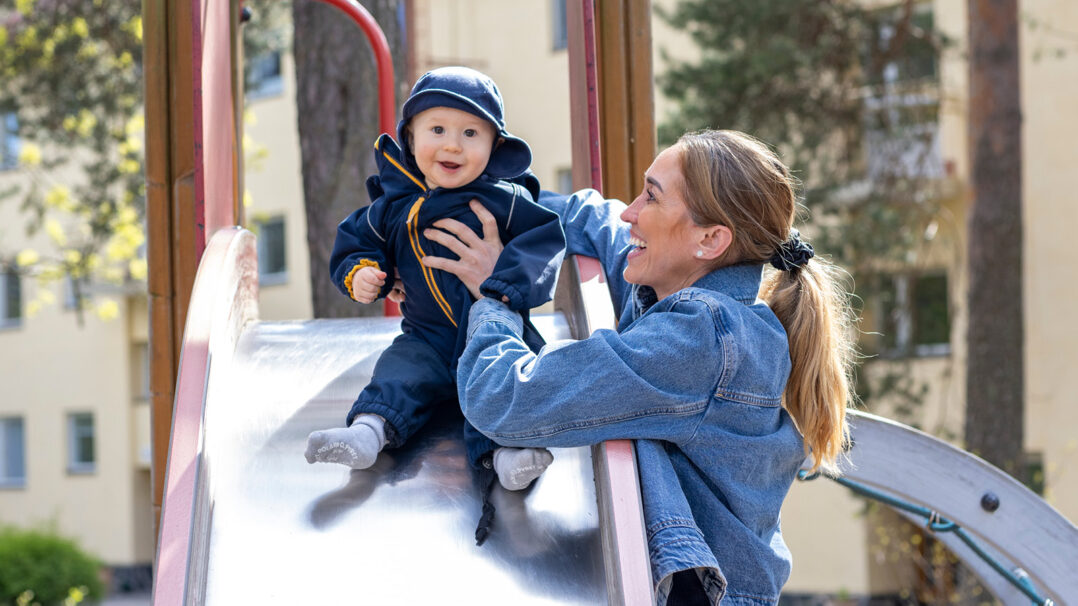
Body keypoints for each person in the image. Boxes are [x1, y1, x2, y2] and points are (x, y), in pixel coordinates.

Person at [423, 129, 856, 604]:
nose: (631, 211)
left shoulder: (699, 341)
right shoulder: (669, 282)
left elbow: (502, 397)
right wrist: (491, 203)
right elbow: (597, 218)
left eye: (651, 197)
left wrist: (496, 293)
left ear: (710, 240)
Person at [304, 67, 566, 503]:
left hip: (492, 329)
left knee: (506, 387)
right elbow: (355, 241)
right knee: (397, 374)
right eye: (438, 129)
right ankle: (367, 433)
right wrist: (363, 272)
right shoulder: (394, 207)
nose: (451, 144)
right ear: (409, 137)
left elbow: (544, 242)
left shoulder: (504, 200)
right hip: (424, 337)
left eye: (470, 133)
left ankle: (511, 455)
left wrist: (507, 285)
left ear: (494, 147)